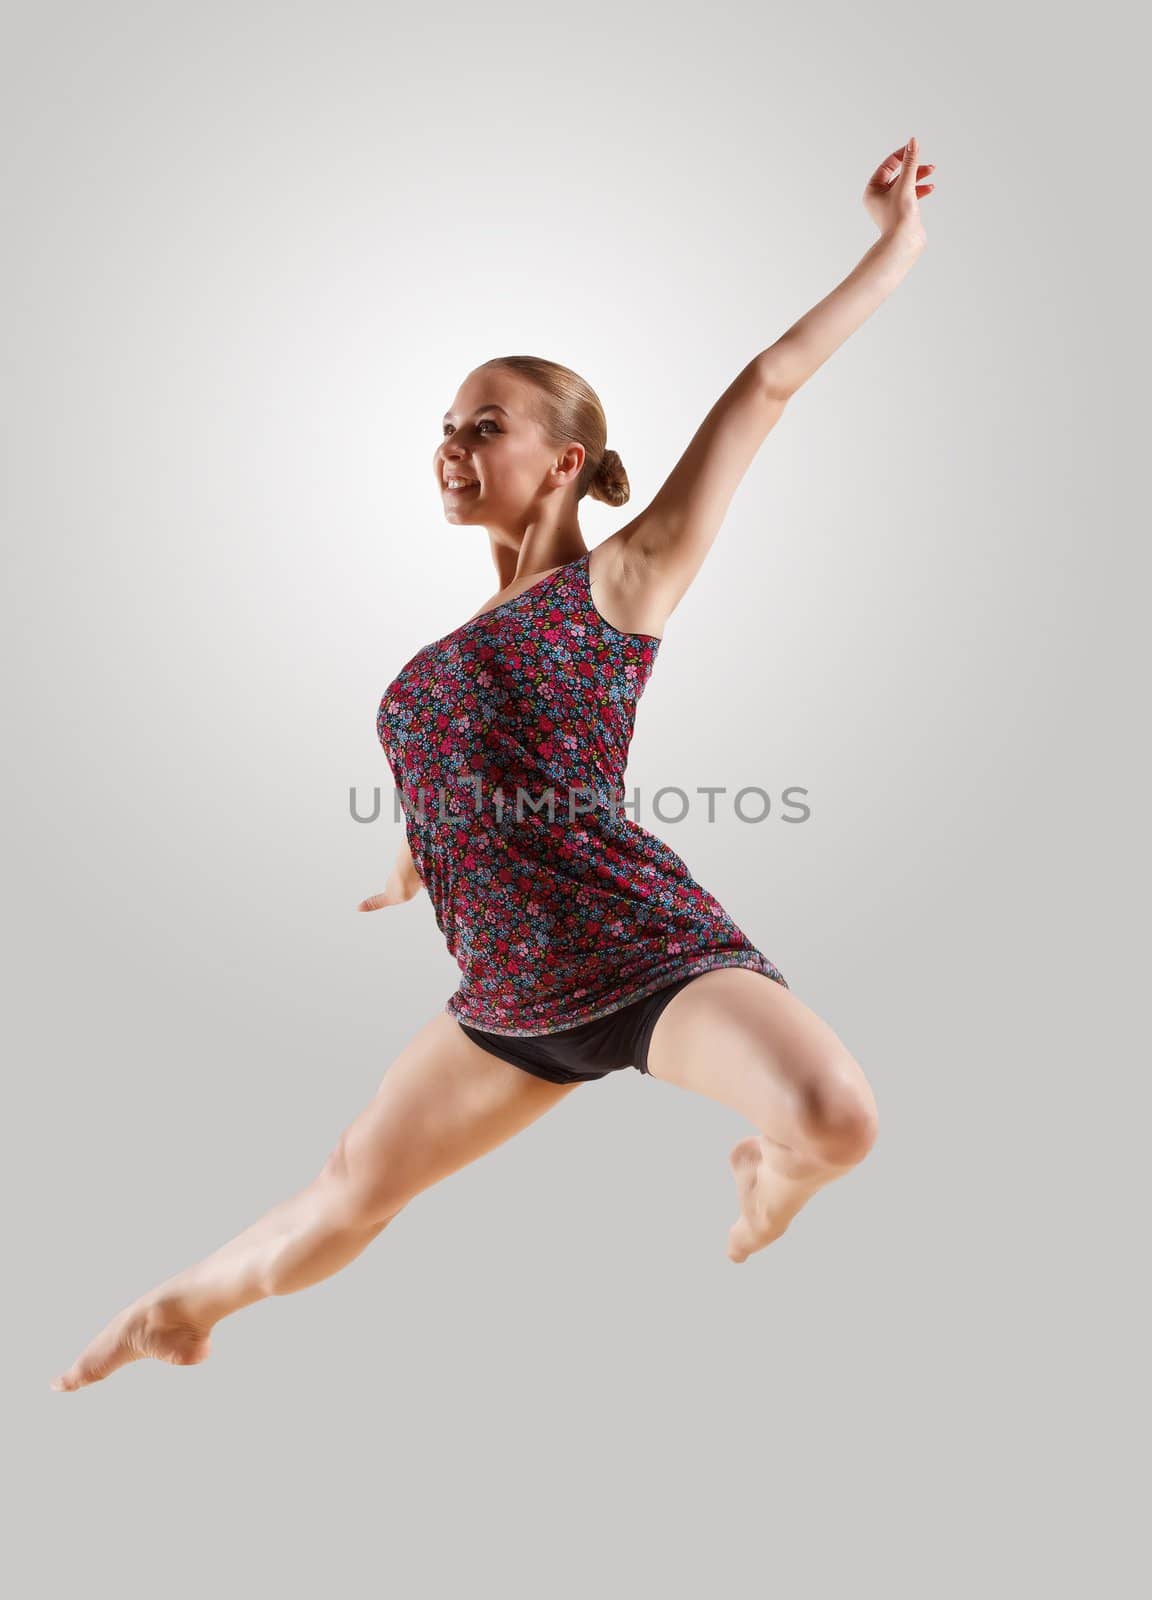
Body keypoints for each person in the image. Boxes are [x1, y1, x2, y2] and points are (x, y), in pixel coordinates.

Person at [50, 138, 934, 1392]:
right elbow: (472, 766)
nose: (453, 445)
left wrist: (892, 244)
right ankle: (181, 1306)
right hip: (508, 996)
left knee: (835, 1117)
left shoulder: (619, 580)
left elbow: (768, 386)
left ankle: (770, 1181)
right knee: (351, 1190)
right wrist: (423, 852)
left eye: (486, 424)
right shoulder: (444, 653)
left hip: (642, 953)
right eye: (446, 428)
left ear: (565, 458)